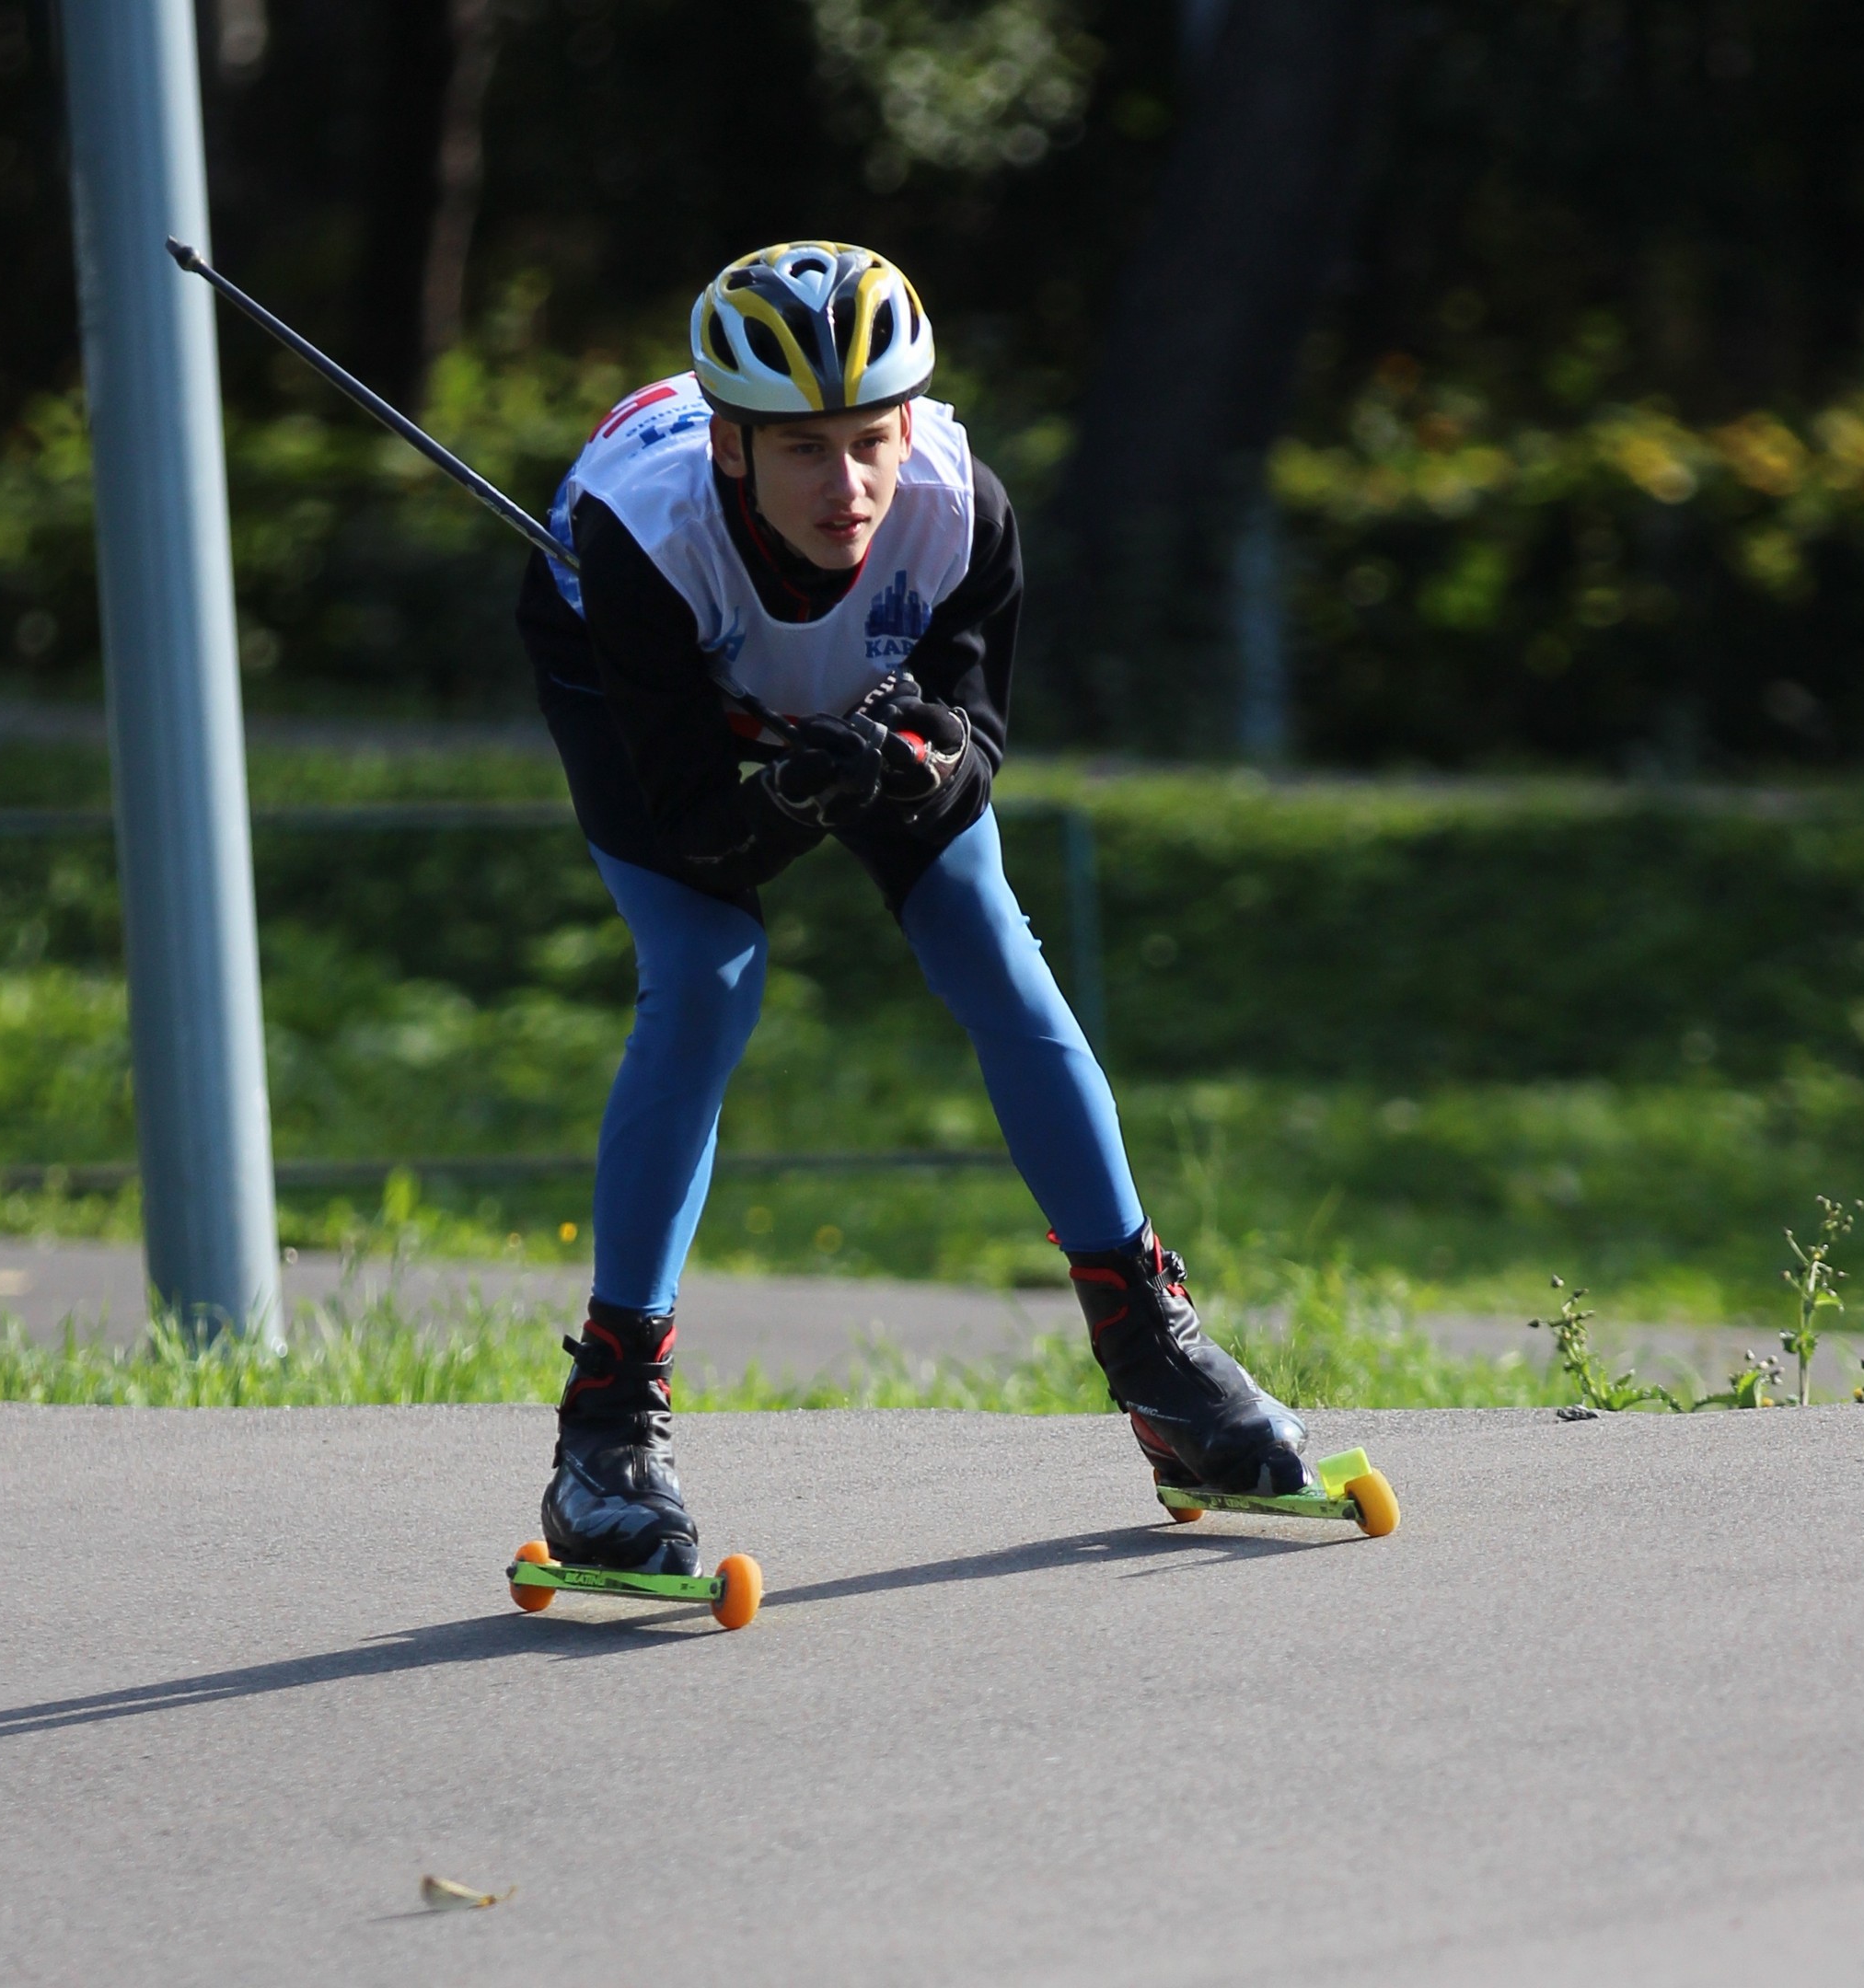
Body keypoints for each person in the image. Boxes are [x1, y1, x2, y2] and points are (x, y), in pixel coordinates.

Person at [514, 241, 1314, 1574]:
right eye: (804, 451)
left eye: (871, 441)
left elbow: (974, 738)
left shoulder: (962, 510)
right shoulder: (637, 536)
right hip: (636, 675)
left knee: (992, 952)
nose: (849, 487)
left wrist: (904, 760)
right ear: (731, 450)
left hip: (843, 697)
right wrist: (791, 797)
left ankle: (1156, 1354)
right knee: (706, 974)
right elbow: (702, 835)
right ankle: (606, 1432)